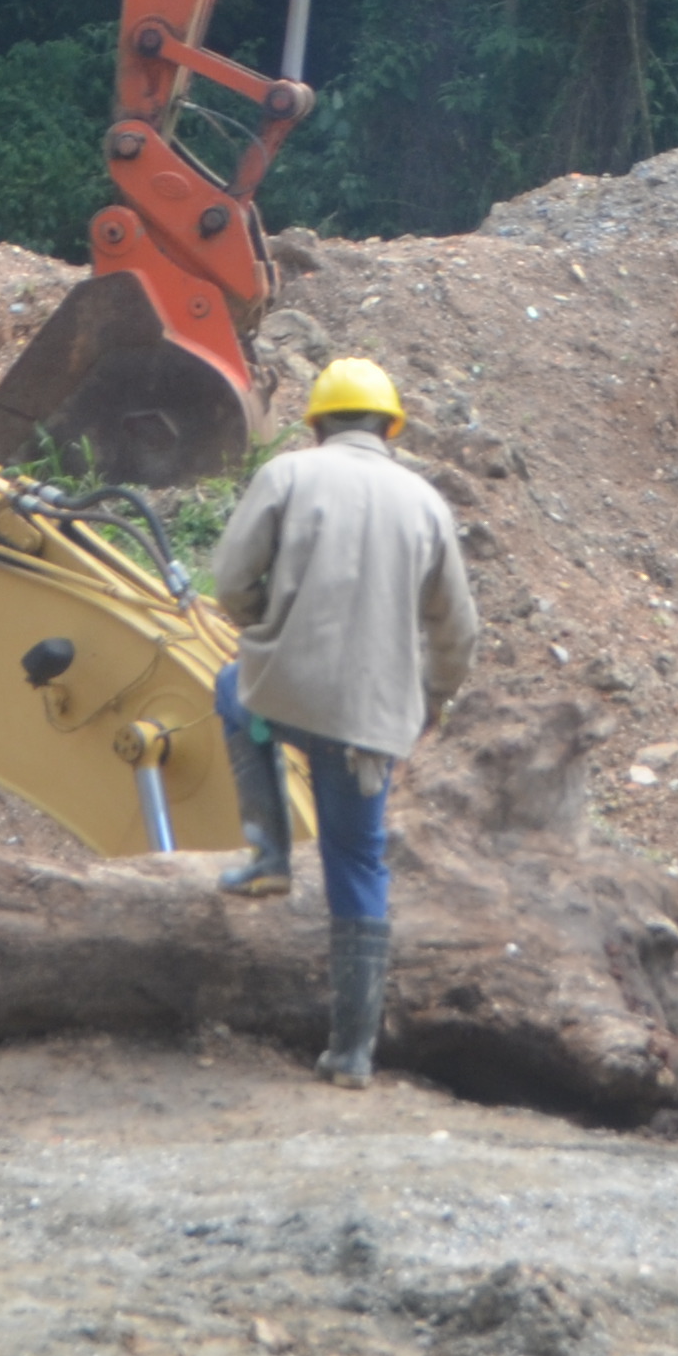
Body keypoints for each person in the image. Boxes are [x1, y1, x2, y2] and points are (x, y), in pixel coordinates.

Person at [210, 354, 480, 1086]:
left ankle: (267, 854)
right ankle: (353, 1052)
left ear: (318, 423)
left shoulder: (289, 476)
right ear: (389, 426)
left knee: (233, 692)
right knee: (358, 864)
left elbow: (230, 579)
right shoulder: (425, 503)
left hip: (282, 696)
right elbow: (457, 631)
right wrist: (430, 700)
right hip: (369, 726)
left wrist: (264, 626)